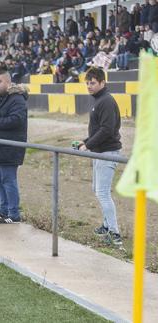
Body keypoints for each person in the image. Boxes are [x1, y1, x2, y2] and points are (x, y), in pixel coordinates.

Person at [76, 67, 123, 246]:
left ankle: (115, 233)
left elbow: (107, 130)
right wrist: (85, 141)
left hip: (107, 152)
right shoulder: (99, 100)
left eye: (93, 83)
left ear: (102, 83)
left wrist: (88, 145)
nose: (89, 86)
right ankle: (106, 225)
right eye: (87, 83)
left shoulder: (106, 101)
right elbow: (98, 130)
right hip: (99, 152)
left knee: (103, 193)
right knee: (97, 189)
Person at [0, 69, 28, 224]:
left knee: (8, 180)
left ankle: (14, 213)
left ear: (8, 83)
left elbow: (17, 120)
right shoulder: (0, 98)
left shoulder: (17, 99)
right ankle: (3, 211)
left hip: (10, 147)